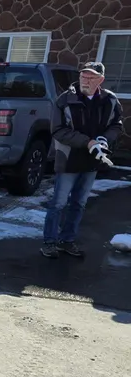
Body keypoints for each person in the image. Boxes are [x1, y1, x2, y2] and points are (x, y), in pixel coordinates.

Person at [41, 61, 123, 258]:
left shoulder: (110, 100)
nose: (85, 80)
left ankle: (67, 240)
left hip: (92, 161)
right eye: (83, 76)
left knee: (79, 203)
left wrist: (104, 139)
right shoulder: (64, 100)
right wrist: (87, 142)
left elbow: (116, 125)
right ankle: (49, 242)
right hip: (68, 159)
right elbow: (58, 130)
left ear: (100, 80)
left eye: (91, 77)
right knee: (58, 203)